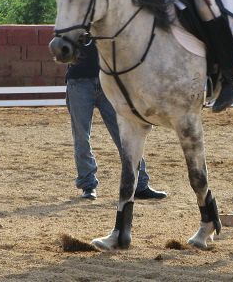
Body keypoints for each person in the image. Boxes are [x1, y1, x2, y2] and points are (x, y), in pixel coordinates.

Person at [66, 40, 167, 200]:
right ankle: (88, 185)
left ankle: (139, 184)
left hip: (108, 81)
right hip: (79, 82)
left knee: (126, 135)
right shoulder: (76, 18)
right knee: (81, 137)